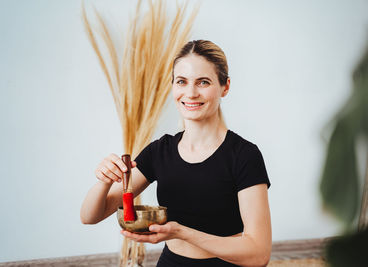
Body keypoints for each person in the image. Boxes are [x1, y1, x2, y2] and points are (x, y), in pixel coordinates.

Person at [80, 40, 272, 267]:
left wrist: (182, 232)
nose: (191, 93)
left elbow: (259, 253)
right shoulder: (159, 151)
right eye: (182, 81)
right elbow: (90, 216)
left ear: (225, 86)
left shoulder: (244, 155)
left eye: (203, 82)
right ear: (173, 86)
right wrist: (103, 181)